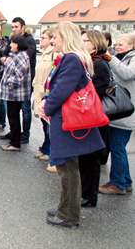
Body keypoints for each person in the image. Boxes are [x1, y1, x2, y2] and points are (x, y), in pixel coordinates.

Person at [40, 21, 105, 228]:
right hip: (67, 120)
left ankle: (69, 215)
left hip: (66, 121)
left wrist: (46, 107)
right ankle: (65, 208)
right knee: (67, 167)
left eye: (55, 37)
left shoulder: (71, 60)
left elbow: (61, 91)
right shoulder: (74, 59)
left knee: (67, 168)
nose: (52, 41)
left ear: (65, 38)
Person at [77, 30, 111, 207]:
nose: (82, 43)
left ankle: (90, 197)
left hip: (94, 118)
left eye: (86, 40)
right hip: (87, 117)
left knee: (91, 159)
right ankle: (85, 193)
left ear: (95, 44)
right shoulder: (89, 62)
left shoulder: (99, 65)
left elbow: (95, 94)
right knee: (84, 158)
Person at [100, 33, 135, 195]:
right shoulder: (122, 57)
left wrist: (110, 59)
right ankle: (125, 181)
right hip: (119, 112)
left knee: (117, 148)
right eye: (117, 43)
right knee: (117, 147)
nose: (117, 46)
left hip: (125, 112)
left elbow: (127, 74)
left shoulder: (131, 59)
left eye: (122, 43)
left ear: (132, 46)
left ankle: (117, 184)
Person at [2, 17, 36, 144]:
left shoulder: (29, 40)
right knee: (13, 112)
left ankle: (25, 135)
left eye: (16, 27)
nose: (14, 29)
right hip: (13, 81)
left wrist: (9, 60)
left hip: (25, 81)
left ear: (23, 27)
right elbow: (4, 55)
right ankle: (14, 132)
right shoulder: (12, 39)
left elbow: (26, 57)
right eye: (12, 27)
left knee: (25, 109)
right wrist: (5, 59)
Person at [0, 35, 31, 151]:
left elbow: (18, 76)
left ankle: (15, 144)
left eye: (12, 43)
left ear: (17, 45)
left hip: (15, 93)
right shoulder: (15, 55)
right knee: (13, 117)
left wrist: (8, 83)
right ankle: (13, 140)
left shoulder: (21, 57)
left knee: (14, 118)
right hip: (13, 93)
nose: (10, 45)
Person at [32, 29, 57, 164]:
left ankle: (50, 151)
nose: (40, 40)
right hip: (39, 92)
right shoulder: (44, 54)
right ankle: (46, 147)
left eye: (44, 37)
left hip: (45, 93)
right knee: (44, 124)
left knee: (49, 125)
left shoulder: (54, 54)